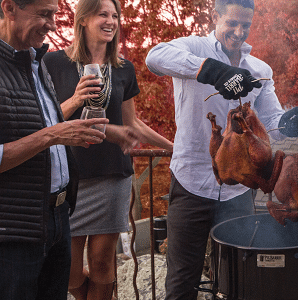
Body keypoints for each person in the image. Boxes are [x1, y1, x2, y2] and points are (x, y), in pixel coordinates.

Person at [145, 0, 298, 298]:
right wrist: (212, 71)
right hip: (191, 184)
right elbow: (154, 57)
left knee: (238, 278)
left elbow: (273, 124)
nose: (239, 32)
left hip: (238, 190)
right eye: (232, 23)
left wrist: (291, 122)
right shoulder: (194, 47)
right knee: (182, 281)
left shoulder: (259, 69)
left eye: (246, 25)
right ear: (216, 17)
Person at [42, 0, 174, 298]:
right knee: (68, 269)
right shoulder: (52, 63)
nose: (111, 21)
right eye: (103, 14)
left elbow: (133, 123)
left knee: (102, 263)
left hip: (112, 175)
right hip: (68, 178)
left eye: (115, 16)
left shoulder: (124, 68)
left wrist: (172, 148)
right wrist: (76, 99)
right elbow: (45, 121)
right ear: (84, 19)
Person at [0, 0, 109, 298]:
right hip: (14, 231)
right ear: (10, 8)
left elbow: (40, 127)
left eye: (55, 15)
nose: (52, 24)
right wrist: (52, 135)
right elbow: (45, 135)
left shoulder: (35, 63)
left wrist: (71, 131)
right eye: (44, 14)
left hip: (59, 218)